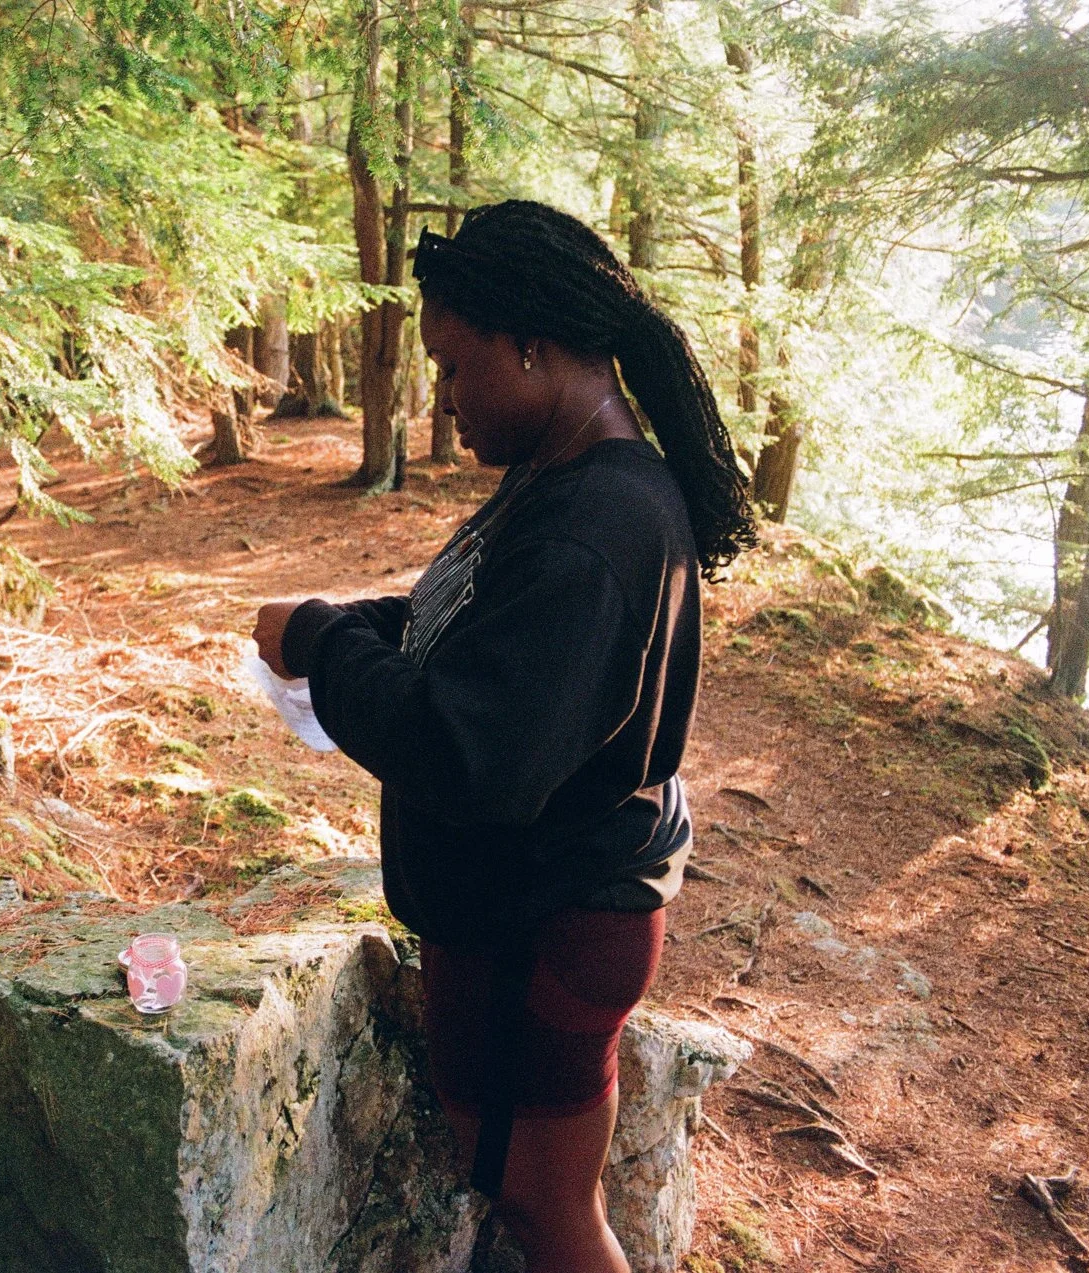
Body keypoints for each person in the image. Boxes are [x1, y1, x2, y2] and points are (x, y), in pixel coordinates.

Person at [251, 199, 756, 1273]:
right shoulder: (559, 479)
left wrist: (325, 650)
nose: (444, 395)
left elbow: (468, 754)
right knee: (512, 1184)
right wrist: (342, 625)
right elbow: (468, 627)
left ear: (530, 347)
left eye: (452, 363)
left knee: (549, 1205)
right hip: (512, 910)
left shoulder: (599, 528)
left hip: (560, 920)